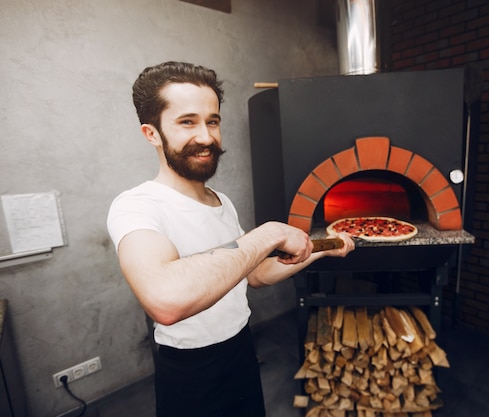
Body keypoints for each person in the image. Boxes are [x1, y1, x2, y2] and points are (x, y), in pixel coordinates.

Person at [106, 61, 355, 417]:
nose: (206, 136)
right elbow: (165, 301)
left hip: (240, 349)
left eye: (213, 120)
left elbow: (252, 273)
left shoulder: (221, 201)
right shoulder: (135, 206)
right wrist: (269, 233)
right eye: (187, 122)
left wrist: (320, 250)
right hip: (190, 369)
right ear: (152, 133)